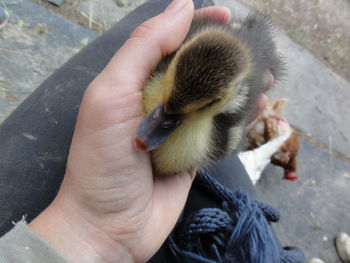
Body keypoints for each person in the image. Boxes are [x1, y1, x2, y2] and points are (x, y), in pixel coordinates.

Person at [0, 0, 301, 262]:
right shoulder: (170, 78)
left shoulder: (224, 118)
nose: (156, 126)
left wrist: (91, 231)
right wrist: (95, 228)